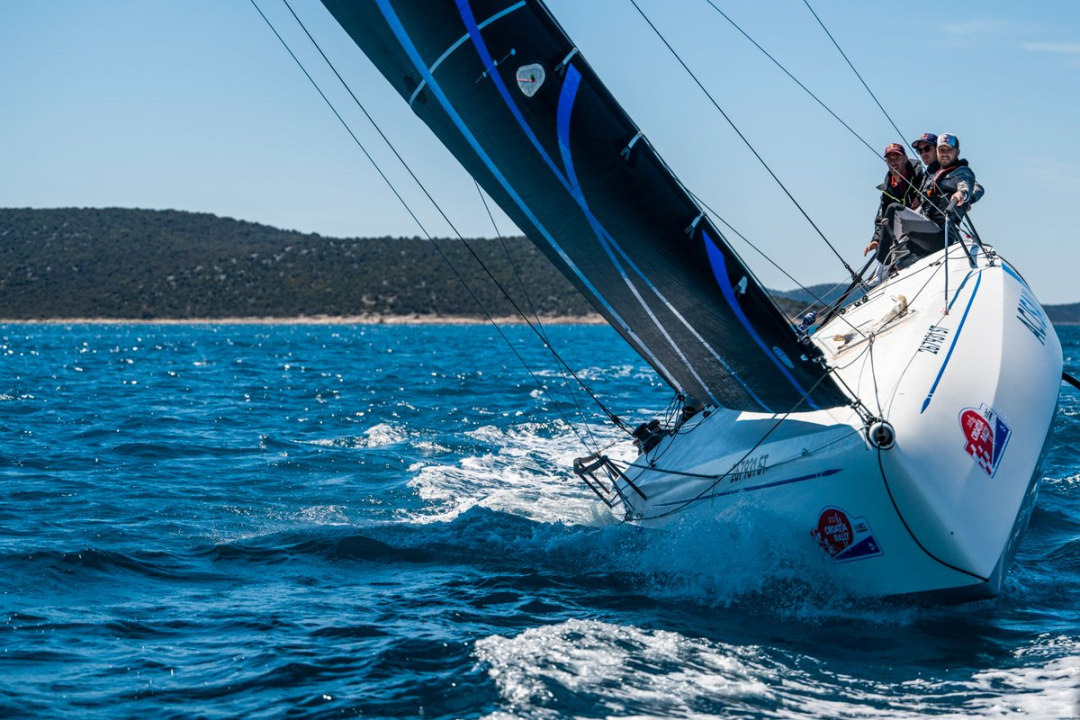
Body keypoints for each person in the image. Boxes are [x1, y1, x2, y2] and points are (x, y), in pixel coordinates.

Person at [863, 143, 923, 264]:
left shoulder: (920, 176)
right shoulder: (887, 189)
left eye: (897, 158)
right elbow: (883, 217)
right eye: (890, 159)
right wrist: (876, 239)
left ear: (905, 158)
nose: (893, 162)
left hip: (921, 229)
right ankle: (882, 271)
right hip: (902, 237)